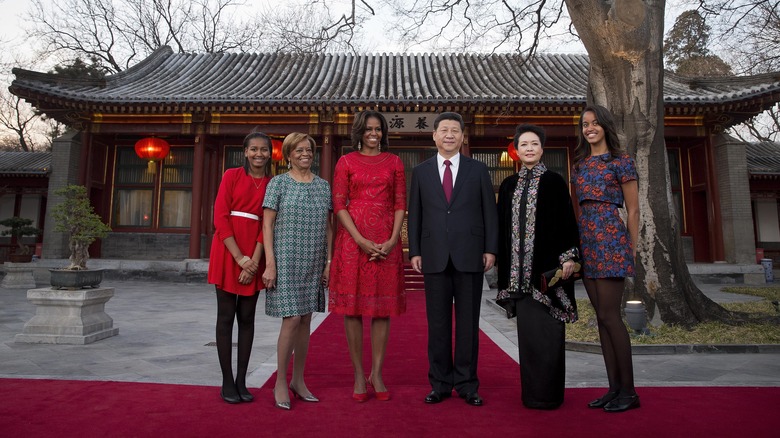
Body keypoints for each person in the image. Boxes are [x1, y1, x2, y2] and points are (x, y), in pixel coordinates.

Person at [407, 112, 499, 407]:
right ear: (433, 135)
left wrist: (491, 249)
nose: (449, 135)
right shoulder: (421, 172)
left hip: (470, 254)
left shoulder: (479, 170)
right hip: (434, 256)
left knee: (469, 324)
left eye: (455, 130)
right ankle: (440, 384)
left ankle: (468, 384)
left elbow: (490, 213)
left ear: (463, 136)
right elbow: (416, 214)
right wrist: (415, 251)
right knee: (438, 325)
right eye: (443, 130)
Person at [495, 124, 580, 410]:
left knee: (549, 333)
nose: (529, 148)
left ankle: (551, 395)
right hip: (518, 276)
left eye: (534, 144)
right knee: (529, 336)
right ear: (516, 151)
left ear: (542, 149)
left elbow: (567, 221)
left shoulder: (555, 182)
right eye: (524, 144)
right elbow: (501, 228)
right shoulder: (508, 186)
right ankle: (532, 395)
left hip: (547, 273)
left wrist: (568, 257)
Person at [328, 110, 407, 402]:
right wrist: (359, 239)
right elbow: (338, 204)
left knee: (382, 309)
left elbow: (400, 203)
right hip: (352, 241)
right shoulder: (345, 162)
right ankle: (359, 374)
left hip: (387, 238)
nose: (373, 134)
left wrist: (392, 240)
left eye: (378, 129)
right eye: (368, 129)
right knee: (353, 308)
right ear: (359, 132)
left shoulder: (395, 162)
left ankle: (377, 372)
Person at [571, 105, 640, 413]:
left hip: (612, 238)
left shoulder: (622, 161)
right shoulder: (580, 165)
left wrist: (632, 248)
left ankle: (630, 391)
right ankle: (613, 388)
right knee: (600, 317)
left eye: (595, 123)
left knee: (611, 316)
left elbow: (634, 209)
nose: (590, 128)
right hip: (587, 240)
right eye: (585, 124)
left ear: (605, 126)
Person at [261, 132, 333, 410]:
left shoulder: (323, 186)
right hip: (286, 258)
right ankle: (280, 380)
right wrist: (270, 262)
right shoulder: (277, 183)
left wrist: (329, 263)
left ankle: (298, 380)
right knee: (290, 319)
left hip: (314, 259)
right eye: (298, 150)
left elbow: (329, 228)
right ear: (288, 154)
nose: (305, 154)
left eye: (309, 150)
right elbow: (267, 225)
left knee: (305, 319)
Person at [207, 131, 272, 404]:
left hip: (255, 251)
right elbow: (221, 218)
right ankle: (226, 381)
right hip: (227, 250)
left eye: (264, 150)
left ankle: (242, 381)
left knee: (247, 319)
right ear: (245, 151)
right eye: (253, 149)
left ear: (271, 153)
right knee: (225, 318)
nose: (259, 154)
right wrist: (239, 258)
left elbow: (267, 224)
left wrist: (254, 262)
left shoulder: (273, 183)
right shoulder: (231, 176)